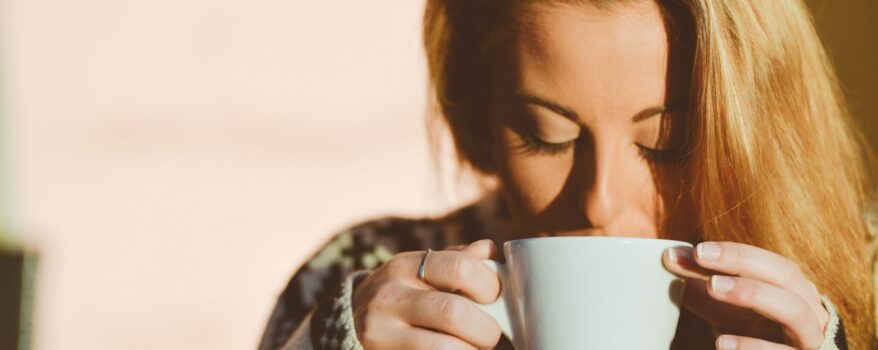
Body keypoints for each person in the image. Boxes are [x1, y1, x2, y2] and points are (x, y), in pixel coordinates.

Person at [259, 0, 876, 349]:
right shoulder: (359, 270)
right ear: (479, 113)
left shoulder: (865, 270)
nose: (600, 202)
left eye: (668, 143)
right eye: (546, 136)